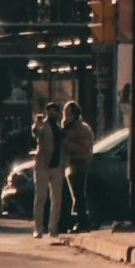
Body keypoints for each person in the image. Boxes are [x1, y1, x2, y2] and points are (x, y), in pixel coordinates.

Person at [61, 93, 94, 234]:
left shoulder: (82, 129)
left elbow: (85, 147)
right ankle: (75, 221)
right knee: (74, 195)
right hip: (70, 164)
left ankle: (83, 222)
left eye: (68, 114)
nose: (66, 117)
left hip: (80, 163)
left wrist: (68, 144)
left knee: (79, 194)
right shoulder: (66, 128)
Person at [31, 102, 62, 239]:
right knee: (41, 198)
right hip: (43, 166)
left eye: (54, 111)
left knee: (56, 199)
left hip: (57, 167)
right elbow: (37, 133)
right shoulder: (44, 125)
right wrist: (36, 124)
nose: (52, 113)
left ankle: (53, 228)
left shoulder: (60, 127)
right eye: (49, 111)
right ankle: (38, 228)